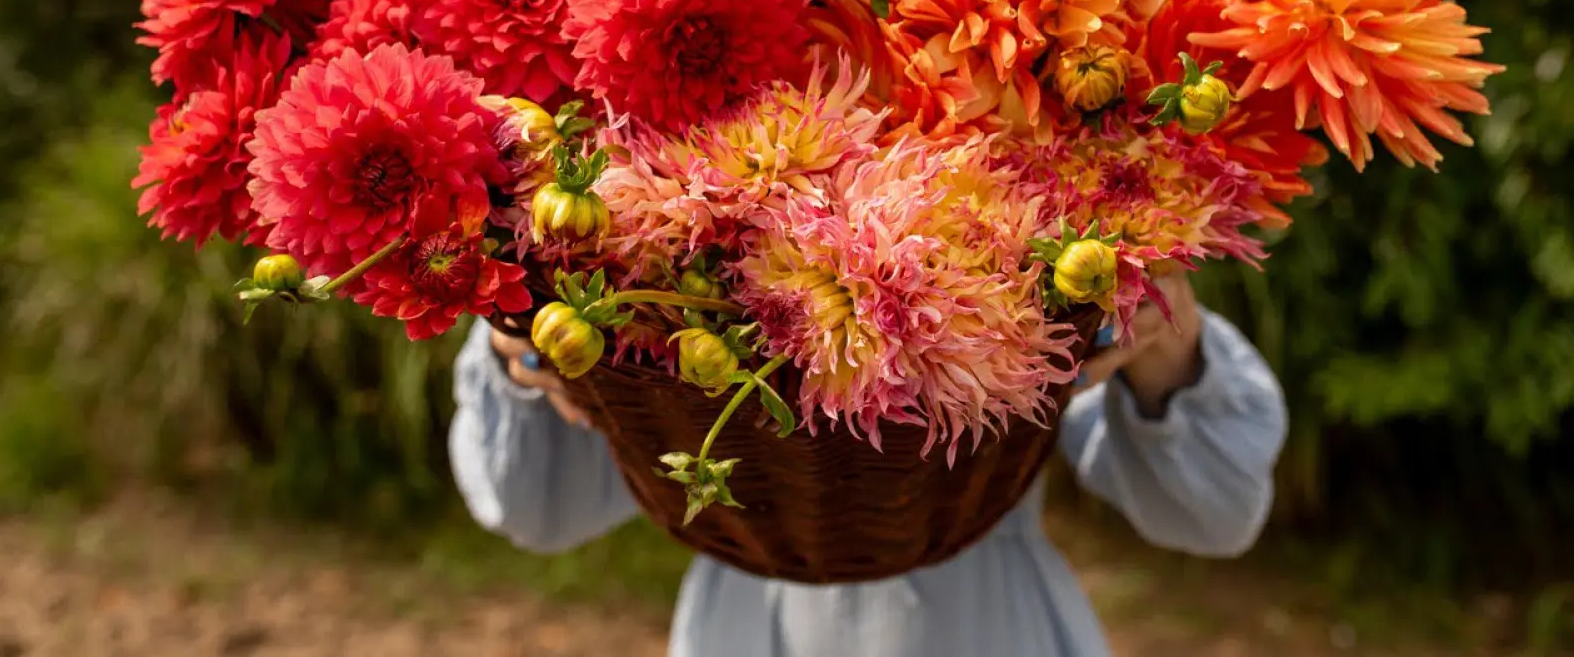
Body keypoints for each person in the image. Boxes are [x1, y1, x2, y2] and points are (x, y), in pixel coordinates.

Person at [449, 272, 1287, 657]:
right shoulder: (648, 283)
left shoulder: (1043, 250)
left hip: (990, 626)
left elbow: (1213, 515)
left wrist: (1162, 342)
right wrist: (527, 351)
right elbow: (540, 511)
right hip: (752, 625)